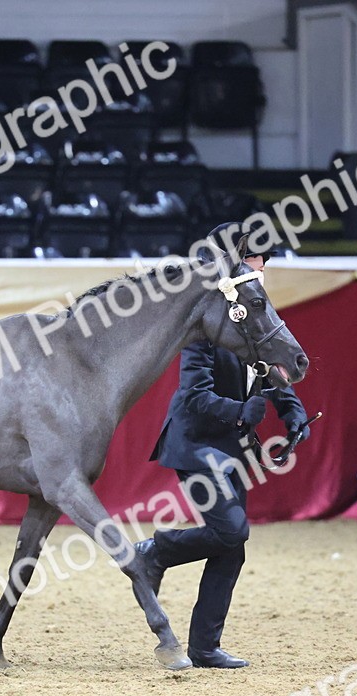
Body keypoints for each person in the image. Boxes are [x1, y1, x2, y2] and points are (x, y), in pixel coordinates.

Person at [135, 224, 310, 669]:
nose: (261, 270)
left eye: (263, 264)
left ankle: (204, 647)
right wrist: (240, 411)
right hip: (195, 445)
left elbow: (272, 369)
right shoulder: (204, 326)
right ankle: (155, 552)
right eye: (254, 262)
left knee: (231, 546)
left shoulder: (252, 321)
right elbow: (194, 396)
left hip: (231, 448)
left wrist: (292, 410)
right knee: (232, 532)